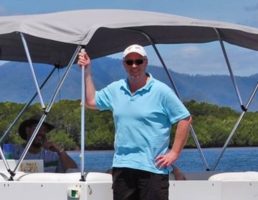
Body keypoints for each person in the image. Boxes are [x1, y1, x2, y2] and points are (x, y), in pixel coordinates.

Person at [78, 44, 193, 200]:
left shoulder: (161, 91)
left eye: (138, 61)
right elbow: (91, 101)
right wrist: (87, 70)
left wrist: (174, 153)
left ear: (146, 62)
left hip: (153, 168)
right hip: (123, 167)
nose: (134, 65)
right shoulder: (116, 89)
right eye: (129, 61)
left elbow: (185, 119)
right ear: (123, 64)